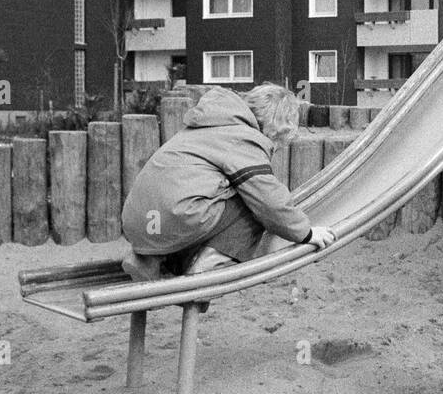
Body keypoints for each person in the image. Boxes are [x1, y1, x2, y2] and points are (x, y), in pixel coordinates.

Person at [120, 83, 334, 281]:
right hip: (178, 216)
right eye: (279, 142)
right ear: (276, 128)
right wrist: (306, 233)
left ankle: (145, 261)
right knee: (252, 205)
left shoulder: (207, 124)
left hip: (139, 221)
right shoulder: (244, 138)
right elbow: (268, 200)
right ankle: (207, 266)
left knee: (206, 198)